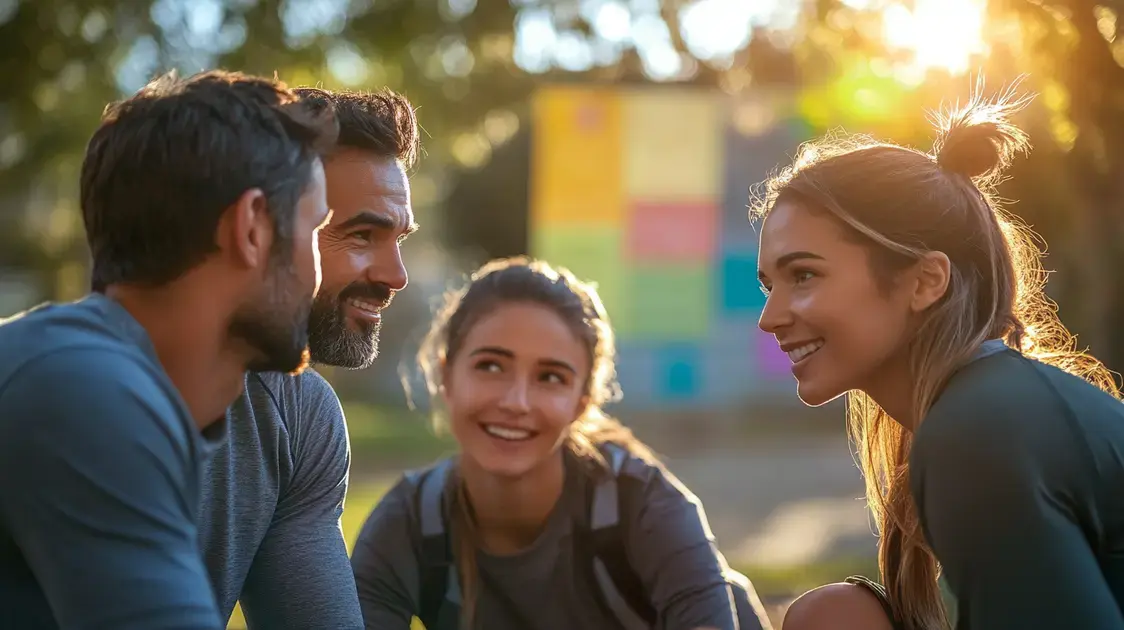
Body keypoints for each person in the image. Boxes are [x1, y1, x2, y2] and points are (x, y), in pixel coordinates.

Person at [754, 85, 1124, 630]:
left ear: (926, 280)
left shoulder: (981, 431)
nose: (770, 318)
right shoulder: (987, 408)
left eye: (804, 275)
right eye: (769, 285)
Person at [0, 70, 337, 629]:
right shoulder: (85, 393)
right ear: (252, 228)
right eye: (314, 228)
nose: (316, 273)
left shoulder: (96, 377)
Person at [351, 257, 773, 630]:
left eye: (551, 377)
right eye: (490, 366)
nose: (516, 402)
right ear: (446, 377)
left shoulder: (642, 504)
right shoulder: (409, 522)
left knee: (732, 591)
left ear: (581, 403)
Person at [198, 87, 420, 629]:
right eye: (361, 234)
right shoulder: (67, 392)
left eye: (401, 239)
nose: (397, 277)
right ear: (257, 228)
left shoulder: (300, 415)